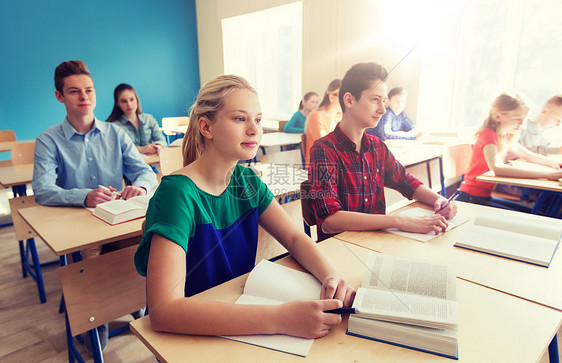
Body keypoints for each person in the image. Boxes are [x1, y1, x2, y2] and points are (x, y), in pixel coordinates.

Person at [134, 75, 354, 338]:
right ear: (206, 127)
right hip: (192, 334)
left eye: (258, 120)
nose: (254, 130)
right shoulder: (176, 193)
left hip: (240, 313)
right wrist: (280, 318)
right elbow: (164, 311)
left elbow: (295, 238)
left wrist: (331, 275)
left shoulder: (246, 180)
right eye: (240, 119)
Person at [32, 60, 157, 353]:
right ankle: (96, 321)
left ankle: (149, 308)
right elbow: (42, 191)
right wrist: (84, 196)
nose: (84, 97)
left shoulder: (115, 134)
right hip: (80, 228)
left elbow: (146, 172)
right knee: (91, 259)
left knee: (157, 238)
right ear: (60, 97)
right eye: (74, 91)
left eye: (89, 90)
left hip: (119, 219)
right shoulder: (48, 141)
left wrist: (139, 185)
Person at [307, 62, 457, 242]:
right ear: (349, 100)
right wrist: (399, 221)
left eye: (384, 101)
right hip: (342, 250)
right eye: (375, 99)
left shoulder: (377, 146)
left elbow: (405, 181)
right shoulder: (324, 150)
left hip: (378, 243)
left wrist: (439, 200)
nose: (382, 109)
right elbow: (330, 221)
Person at [457, 92, 562, 211]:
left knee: (533, 212)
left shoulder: (505, 136)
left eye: (524, 120)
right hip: (471, 199)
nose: (522, 124)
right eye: (517, 119)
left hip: (484, 197)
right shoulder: (488, 134)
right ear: (498, 117)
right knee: (532, 214)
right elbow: (497, 169)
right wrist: (548, 175)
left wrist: (556, 165)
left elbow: (528, 155)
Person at [106, 83, 167, 155]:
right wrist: (141, 149)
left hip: (152, 163)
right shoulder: (113, 126)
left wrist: (157, 147)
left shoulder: (149, 119)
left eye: (132, 99)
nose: (129, 104)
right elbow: (115, 150)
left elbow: (162, 140)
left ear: (136, 99)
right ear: (117, 103)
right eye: (124, 101)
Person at [303, 79, 342, 166]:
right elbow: (326, 147)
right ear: (332, 98)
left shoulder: (338, 118)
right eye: (343, 97)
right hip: (319, 168)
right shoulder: (315, 116)